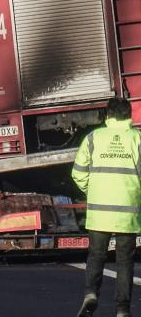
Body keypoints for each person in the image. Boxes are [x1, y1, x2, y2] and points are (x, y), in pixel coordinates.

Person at [72, 97, 141, 317]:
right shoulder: (137, 139)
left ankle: (91, 293)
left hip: (99, 210)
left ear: (108, 116)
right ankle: (122, 310)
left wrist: (92, 191)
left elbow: (78, 173)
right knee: (124, 261)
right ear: (129, 115)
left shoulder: (93, 138)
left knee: (96, 255)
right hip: (127, 211)